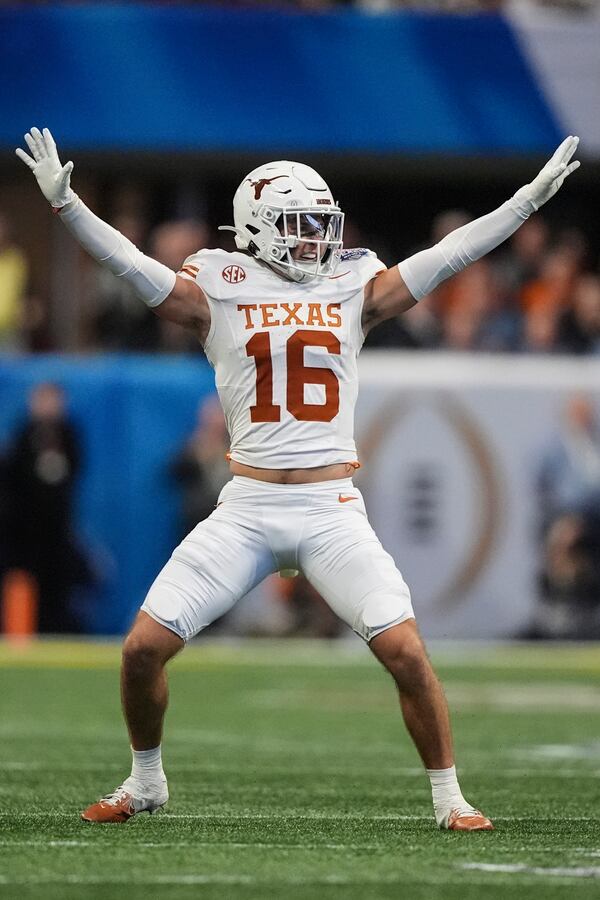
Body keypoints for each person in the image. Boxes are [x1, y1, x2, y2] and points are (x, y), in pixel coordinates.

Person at [17, 127, 580, 830]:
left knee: (405, 650)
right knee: (140, 652)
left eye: (321, 223)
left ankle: (450, 798)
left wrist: (523, 204)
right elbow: (135, 269)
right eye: (298, 224)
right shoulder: (218, 285)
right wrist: (70, 207)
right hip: (247, 505)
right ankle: (146, 780)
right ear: (255, 225)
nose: (315, 238)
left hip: (329, 505)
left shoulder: (354, 284)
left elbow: (445, 258)